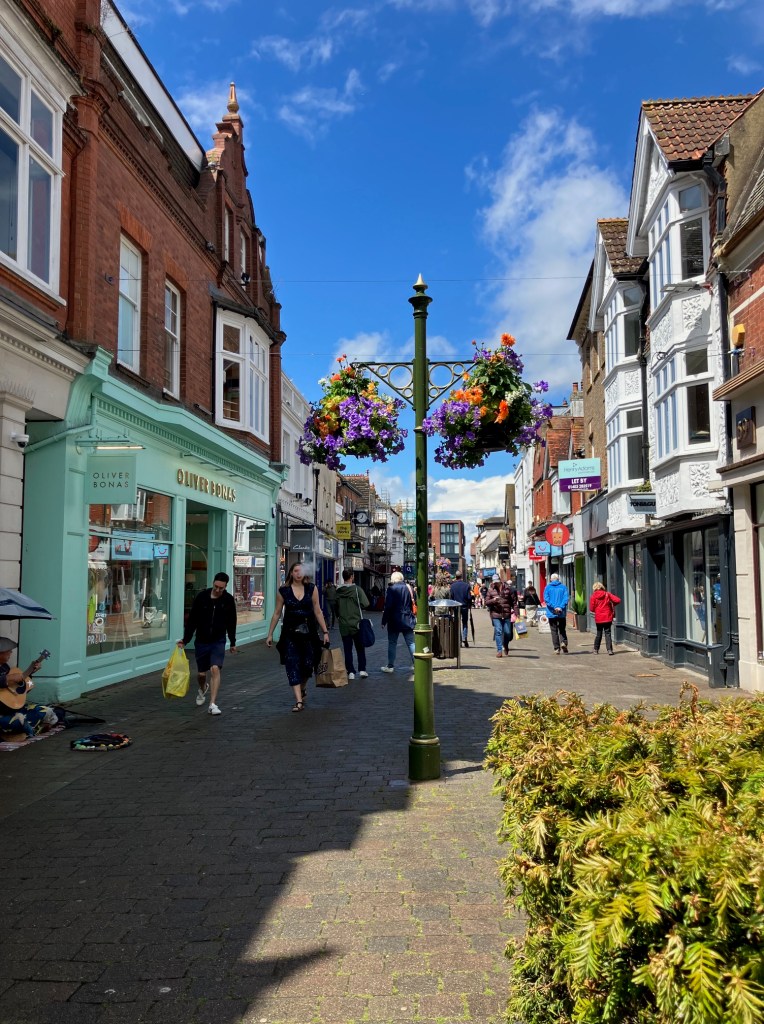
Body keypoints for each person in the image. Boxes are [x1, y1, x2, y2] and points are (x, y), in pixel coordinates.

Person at [266, 562, 329, 712]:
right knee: (292, 664)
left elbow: (317, 610)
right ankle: (298, 701)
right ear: (291, 573)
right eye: (295, 571)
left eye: (301, 571)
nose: (298, 574)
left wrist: (325, 632)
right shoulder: (284, 591)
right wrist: (270, 634)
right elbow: (277, 613)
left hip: (309, 634)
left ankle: (302, 687)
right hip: (290, 634)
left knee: (308, 665)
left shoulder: (311, 588)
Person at [178, 571, 238, 716]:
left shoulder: (228, 600)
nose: (218, 590)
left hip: (218, 640)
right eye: (216, 586)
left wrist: (232, 642)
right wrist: (185, 640)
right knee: (201, 674)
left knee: (215, 669)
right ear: (213, 583)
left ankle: (212, 704)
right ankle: (203, 687)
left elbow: (232, 622)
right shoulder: (202, 597)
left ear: (225, 587)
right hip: (202, 641)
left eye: (221, 588)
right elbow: (192, 621)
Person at [0, 638, 54, 739]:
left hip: (13, 710)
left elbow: (16, 688)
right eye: (8, 651)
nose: (11, 653)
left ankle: (28, 730)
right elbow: (7, 681)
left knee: (46, 711)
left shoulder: (5, 667)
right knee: (18, 721)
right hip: (2, 714)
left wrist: (30, 673)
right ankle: (31, 730)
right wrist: (7, 678)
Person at [335, 568, 369, 680]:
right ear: (352, 577)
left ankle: (350, 671)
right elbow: (365, 603)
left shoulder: (338, 591)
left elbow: (335, 607)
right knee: (360, 648)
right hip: (356, 623)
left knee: (347, 649)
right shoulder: (357, 590)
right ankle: (362, 670)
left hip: (344, 624)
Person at [380, 571, 416, 673]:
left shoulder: (391, 589)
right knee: (411, 643)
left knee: (392, 643)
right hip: (407, 618)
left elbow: (388, 606)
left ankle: (390, 666)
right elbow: (414, 601)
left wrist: (384, 621)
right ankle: (417, 664)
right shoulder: (409, 588)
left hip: (394, 619)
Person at [485, 573, 518, 657]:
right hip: (495, 614)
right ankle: (499, 650)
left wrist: (517, 613)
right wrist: (493, 600)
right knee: (498, 631)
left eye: (497, 582)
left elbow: (514, 602)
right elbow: (486, 602)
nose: (495, 583)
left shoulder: (508, 589)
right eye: (494, 582)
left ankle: (505, 644)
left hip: (506, 614)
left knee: (508, 632)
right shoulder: (490, 590)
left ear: (500, 580)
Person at [589, 582, 621, 655]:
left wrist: (597, 610)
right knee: (608, 633)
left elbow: (591, 609)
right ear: (602, 587)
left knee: (599, 633)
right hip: (607, 617)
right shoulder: (607, 594)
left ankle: (596, 649)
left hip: (599, 618)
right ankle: (609, 650)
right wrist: (612, 604)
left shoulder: (593, 596)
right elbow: (618, 600)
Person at [543, 573, 570, 654]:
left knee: (554, 631)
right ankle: (563, 642)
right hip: (561, 613)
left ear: (551, 579)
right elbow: (566, 598)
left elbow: (546, 599)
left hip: (551, 612)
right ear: (558, 579)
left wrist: (554, 607)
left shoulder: (547, 587)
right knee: (562, 629)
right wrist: (560, 607)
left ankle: (557, 648)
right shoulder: (563, 587)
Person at [449, 570, 473, 648]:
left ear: (456, 577)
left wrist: (451, 608)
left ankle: (459, 640)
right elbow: (469, 597)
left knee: (457, 622)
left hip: (456, 606)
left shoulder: (452, 586)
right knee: (465, 622)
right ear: (461, 576)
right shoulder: (466, 586)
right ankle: (464, 637)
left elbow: (451, 598)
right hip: (464, 606)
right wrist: (469, 604)